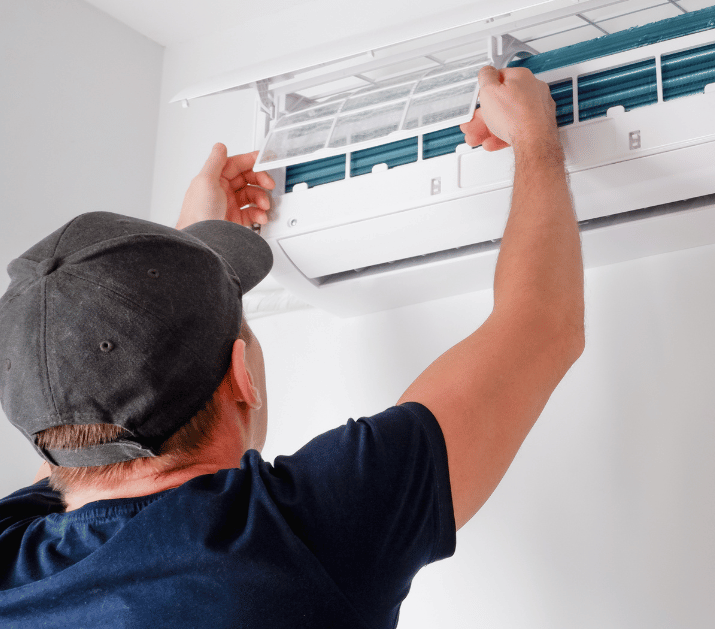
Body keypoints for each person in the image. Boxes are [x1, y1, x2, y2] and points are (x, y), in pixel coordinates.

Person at [0, 65, 584, 627]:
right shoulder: (302, 536)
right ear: (241, 376)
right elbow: (541, 325)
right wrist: (534, 137)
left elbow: (86, 421)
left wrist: (183, 264)